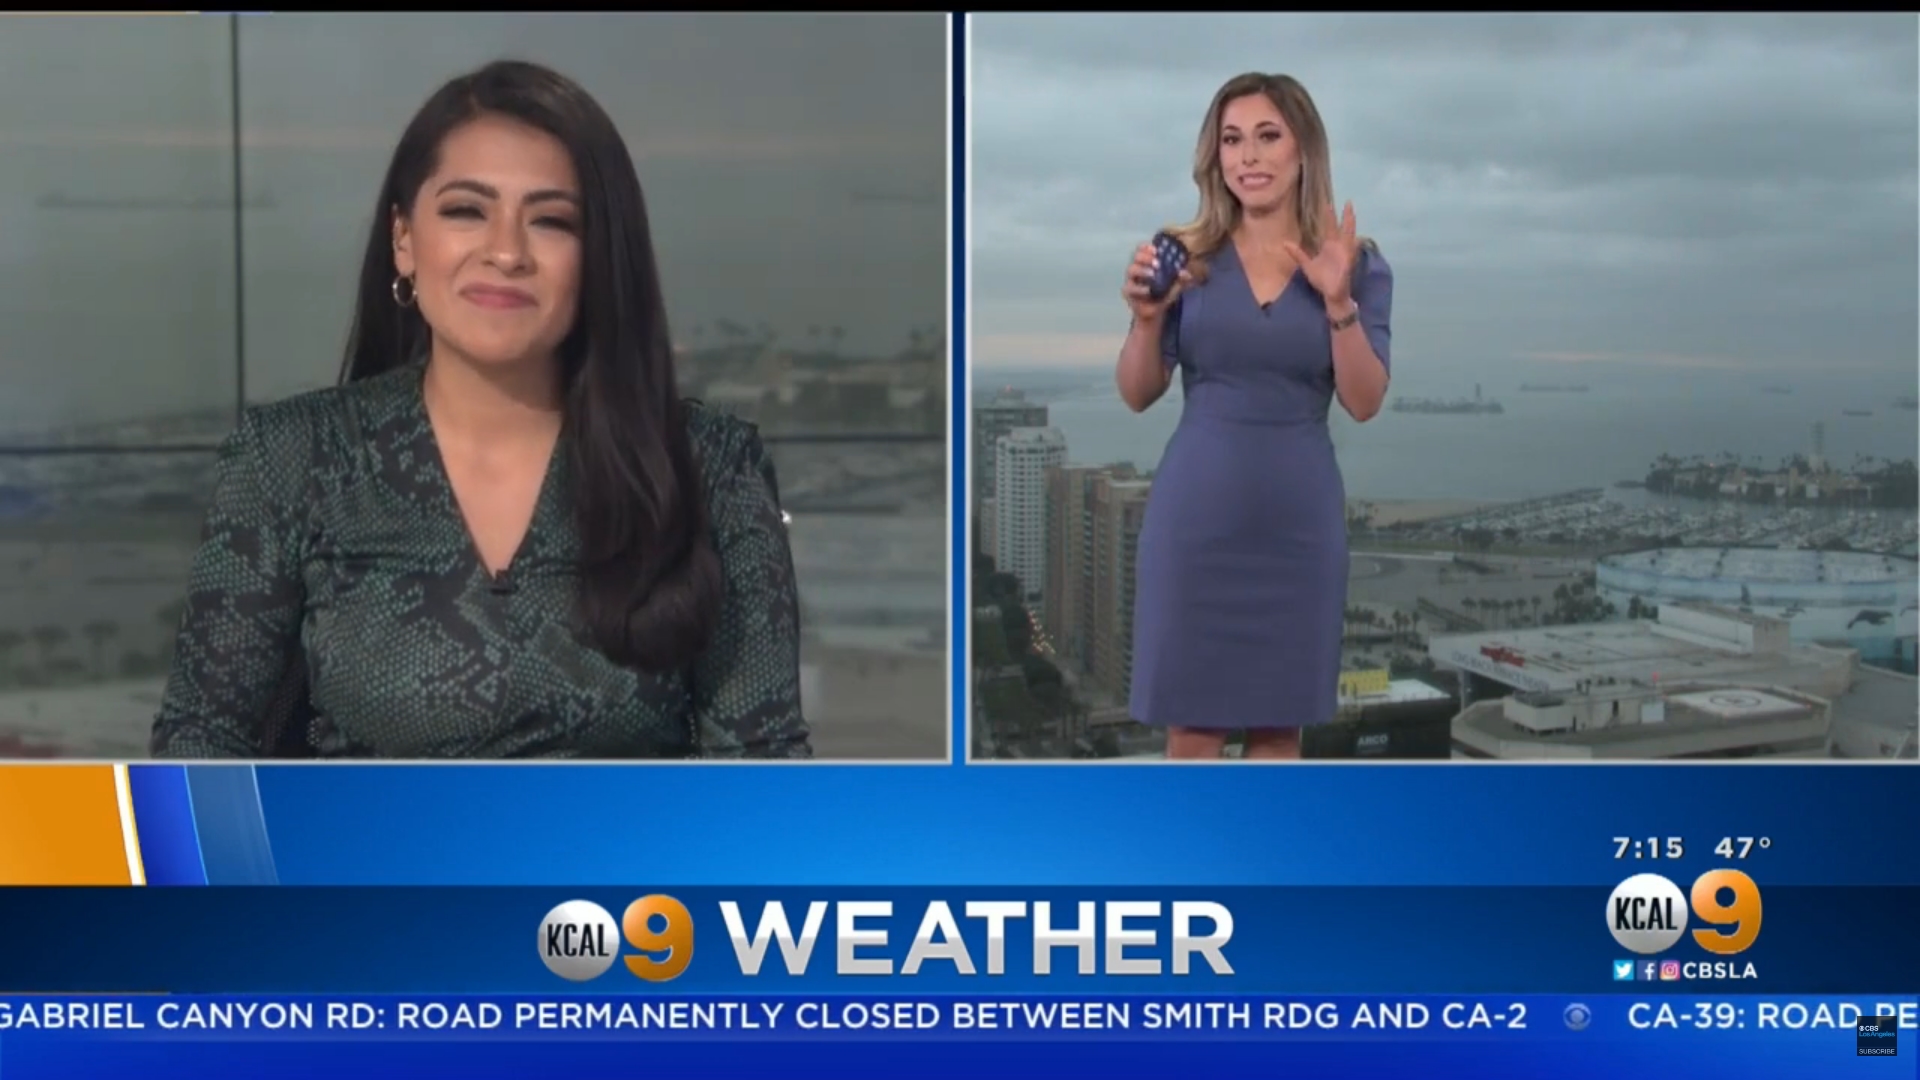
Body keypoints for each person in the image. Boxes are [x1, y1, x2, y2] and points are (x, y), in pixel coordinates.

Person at [151, 60, 811, 760]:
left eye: (552, 221)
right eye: (466, 210)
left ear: (599, 258)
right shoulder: (292, 458)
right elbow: (203, 743)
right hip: (361, 838)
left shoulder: (711, 469)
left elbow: (761, 766)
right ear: (404, 239)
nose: (506, 252)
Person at [1117, 72, 1393, 760]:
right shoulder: (1189, 259)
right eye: (1232, 140)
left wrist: (1337, 302)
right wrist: (1147, 321)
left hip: (1299, 532)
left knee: (1278, 734)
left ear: (1305, 150)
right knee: (1191, 735)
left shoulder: (1356, 264)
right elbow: (1137, 392)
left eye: (1268, 136)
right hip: (1195, 527)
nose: (1248, 156)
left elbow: (1364, 401)